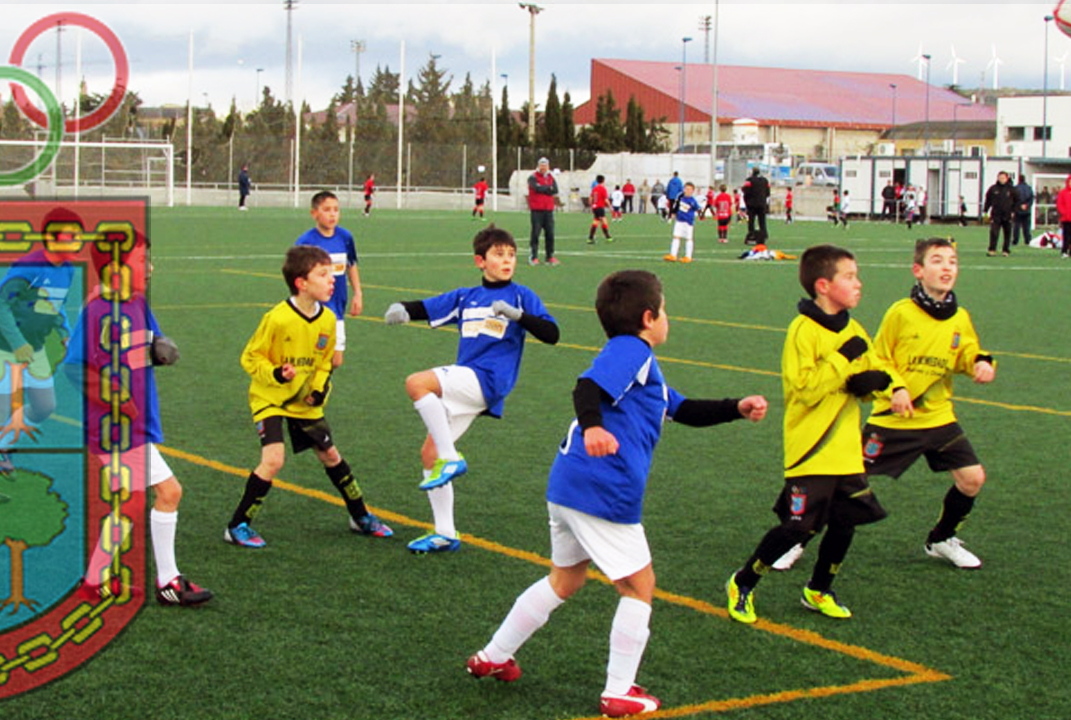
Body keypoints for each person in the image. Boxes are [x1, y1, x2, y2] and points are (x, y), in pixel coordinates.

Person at [466, 269, 767, 718]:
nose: (668, 318)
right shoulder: (631, 350)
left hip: (568, 486)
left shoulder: (638, 362)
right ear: (649, 317)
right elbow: (586, 387)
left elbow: (680, 408)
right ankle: (619, 692)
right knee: (639, 585)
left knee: (565, 579)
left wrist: (735, 409)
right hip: (602, 488)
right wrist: (593, 428)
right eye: (664, 310)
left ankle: (493, 656)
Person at [725, 244, 910, 624]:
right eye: (850, 277)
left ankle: (819, 588)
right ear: (823, 285)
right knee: (797, 527)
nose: (859, 284)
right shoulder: (803, 330)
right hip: (810, 450)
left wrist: (893, 389)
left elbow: (874, 370)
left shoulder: (855, 329)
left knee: (846, 521)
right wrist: (845, 363)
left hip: (845, 450)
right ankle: (743, 582)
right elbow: (805, 389)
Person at [383, 226, 559, 554]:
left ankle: (452, 457)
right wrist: (403, 308)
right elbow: (428, 306)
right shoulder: (467, 297)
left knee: (416, 383)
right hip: (468, 380)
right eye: (499, 254)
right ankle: (445, 532)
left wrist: (518, 316)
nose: (507, 260)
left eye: (511, 255)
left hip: (488, 379)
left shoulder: (522, 295)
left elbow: (552, 333)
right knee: (429, 454)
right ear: (480, 261)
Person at [67, 238, 212, 606]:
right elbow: (74, 367)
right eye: (143, 260)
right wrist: (114, 398)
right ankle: (168, 581)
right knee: (170, 492)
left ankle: (95, 580)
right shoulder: (99, 309)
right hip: (116, 429)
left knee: (131, 504)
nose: (151, 268)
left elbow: (150, 342)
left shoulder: (136, 303)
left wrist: (160, 349)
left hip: (137, 422)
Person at [224, 245, 393, 548]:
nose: (333, 280)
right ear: (301, 283)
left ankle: (360, 516)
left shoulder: (328, 319)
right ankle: (237, 525)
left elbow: (324, 362)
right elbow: (250, 358)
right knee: (274, 460)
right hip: (270, 398)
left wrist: (319, 389)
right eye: (323, 274)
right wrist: (276, 373)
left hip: (304, 403)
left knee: (330, 455)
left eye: (332, 273)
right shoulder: (277, 318)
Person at [861, 237, 997, 569]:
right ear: (918, 271)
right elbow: (878, 359)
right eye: (937, 261)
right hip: (894, 420)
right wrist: (897, 389)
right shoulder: (901, 312)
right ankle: (796, 538)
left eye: (952, 261)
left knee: (972, 478)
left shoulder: (959, 316)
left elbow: (967, 351)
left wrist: (981, 363)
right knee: (842, 478)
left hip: (938, 418)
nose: (947, 267)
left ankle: (941, 539)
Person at [0, 210, 78, 503]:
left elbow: (56, 306)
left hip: (34, 347)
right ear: (52, 238)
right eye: (71, 234)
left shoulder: (68, 269)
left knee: (44, 407)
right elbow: (0, 306)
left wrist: (65, 333)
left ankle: (3, 446)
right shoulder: (28, 266)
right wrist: (16, 343)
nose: (78, 239)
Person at [294, 190, 363, 370]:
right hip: (315, 309)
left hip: (337, 308)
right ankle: (309, 392)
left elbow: (351, 264)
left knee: (336, 361)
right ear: (314, 213)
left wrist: (358, 293)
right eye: (326, 209)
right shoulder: (306, 241)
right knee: (313, 356)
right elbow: (297, 276)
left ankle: (316, 390)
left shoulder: (345, 237)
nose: (332, 214)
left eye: (336, 209)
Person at [527, 157, 559, 266]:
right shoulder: (533, 177)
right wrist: (547, 189)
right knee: (535, 233)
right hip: (537, 210)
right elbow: (536, 188)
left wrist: (545, 188)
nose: (543, 167)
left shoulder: (551, 177)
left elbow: (555, 190)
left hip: (548, 210)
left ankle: (549, 256)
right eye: (542, 165)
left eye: (545, 165)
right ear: (538, 166)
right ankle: (533, 256)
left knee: (550, 234)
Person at [663, 182, 701, 263]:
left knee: (688, 238)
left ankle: (688, 256)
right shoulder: (681, 197)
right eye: (686, 189)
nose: (687, 191)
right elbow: (676, 206)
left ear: (692, 191)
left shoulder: (693, 201)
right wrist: (673, 214)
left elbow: (697, 208)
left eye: (689, 189)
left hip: (688, 222)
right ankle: (673, 255)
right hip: (679, 220)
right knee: (676, 237)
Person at [982, 171, 1016, 257]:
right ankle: (992, 249)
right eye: (1000, 177)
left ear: (1007, 178)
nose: (1001, 179)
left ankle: (1006, 250)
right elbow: (988, 200)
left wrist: (1014, 211)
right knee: (994, 232)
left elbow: (1017, 201)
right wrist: (985, 210)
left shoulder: (1011, 189)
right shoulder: (993, 189)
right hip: (996, 215)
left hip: (1007, 215)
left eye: (1003, 178)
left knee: (1007, 233)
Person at [741, 168, 770, 244]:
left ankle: (752, 234)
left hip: (752, 204)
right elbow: (768, 192)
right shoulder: (765, 180)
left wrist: (747, 200)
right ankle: (764, 234)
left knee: (751, 221)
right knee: (762, 220)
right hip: (762, 203)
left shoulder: (749, 180)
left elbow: (746, 191)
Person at [588, 176, 614, 244]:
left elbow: (590, 197)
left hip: (595, 207)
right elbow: (605, 199)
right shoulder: (603, 189)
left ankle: (590, 238)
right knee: (604, 221)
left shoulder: (594, 188)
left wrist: (591, 205)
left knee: (596, 221)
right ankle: (608, 237)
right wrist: (610, 207)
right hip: (600, 207)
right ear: (603, 181)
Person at [1012, 174, 1035, 250]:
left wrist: (1018, 206)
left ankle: (1015, 240)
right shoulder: (1029, 188)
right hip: (1027, 210)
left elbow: (1014, 199)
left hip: (1018, 210)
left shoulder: (1016, 188)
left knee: (1016, 226)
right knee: (1026, 226)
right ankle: (1027, 240)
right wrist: (1027, 205)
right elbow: (1031, 198)